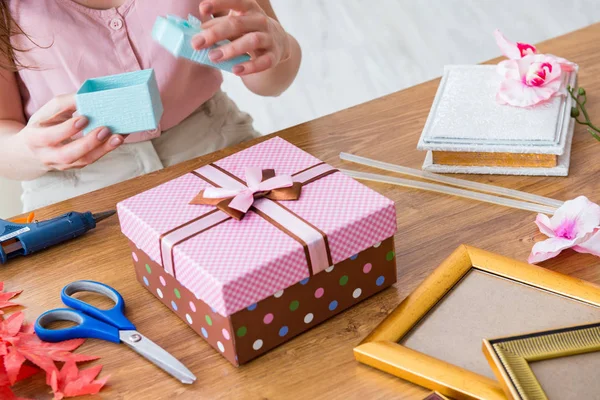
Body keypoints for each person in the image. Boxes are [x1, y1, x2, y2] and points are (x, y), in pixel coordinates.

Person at [0, 0, 301, 211]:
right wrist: (33, 150)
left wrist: (279, 48)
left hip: (220, 152)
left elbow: (271, 82)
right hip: (77, 192)